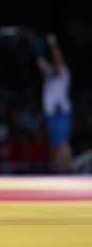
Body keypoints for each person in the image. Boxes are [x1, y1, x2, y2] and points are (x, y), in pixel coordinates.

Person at [36, 33, 73, 173]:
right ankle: (61, 170)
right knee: (56, 144)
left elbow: (58, 59)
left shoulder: (63, 73)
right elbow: (41, 63)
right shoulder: (50, 73)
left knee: (63, 143)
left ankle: (69, 169)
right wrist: (39, 54)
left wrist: (53, 45)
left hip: (61, 112)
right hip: (51, 114)